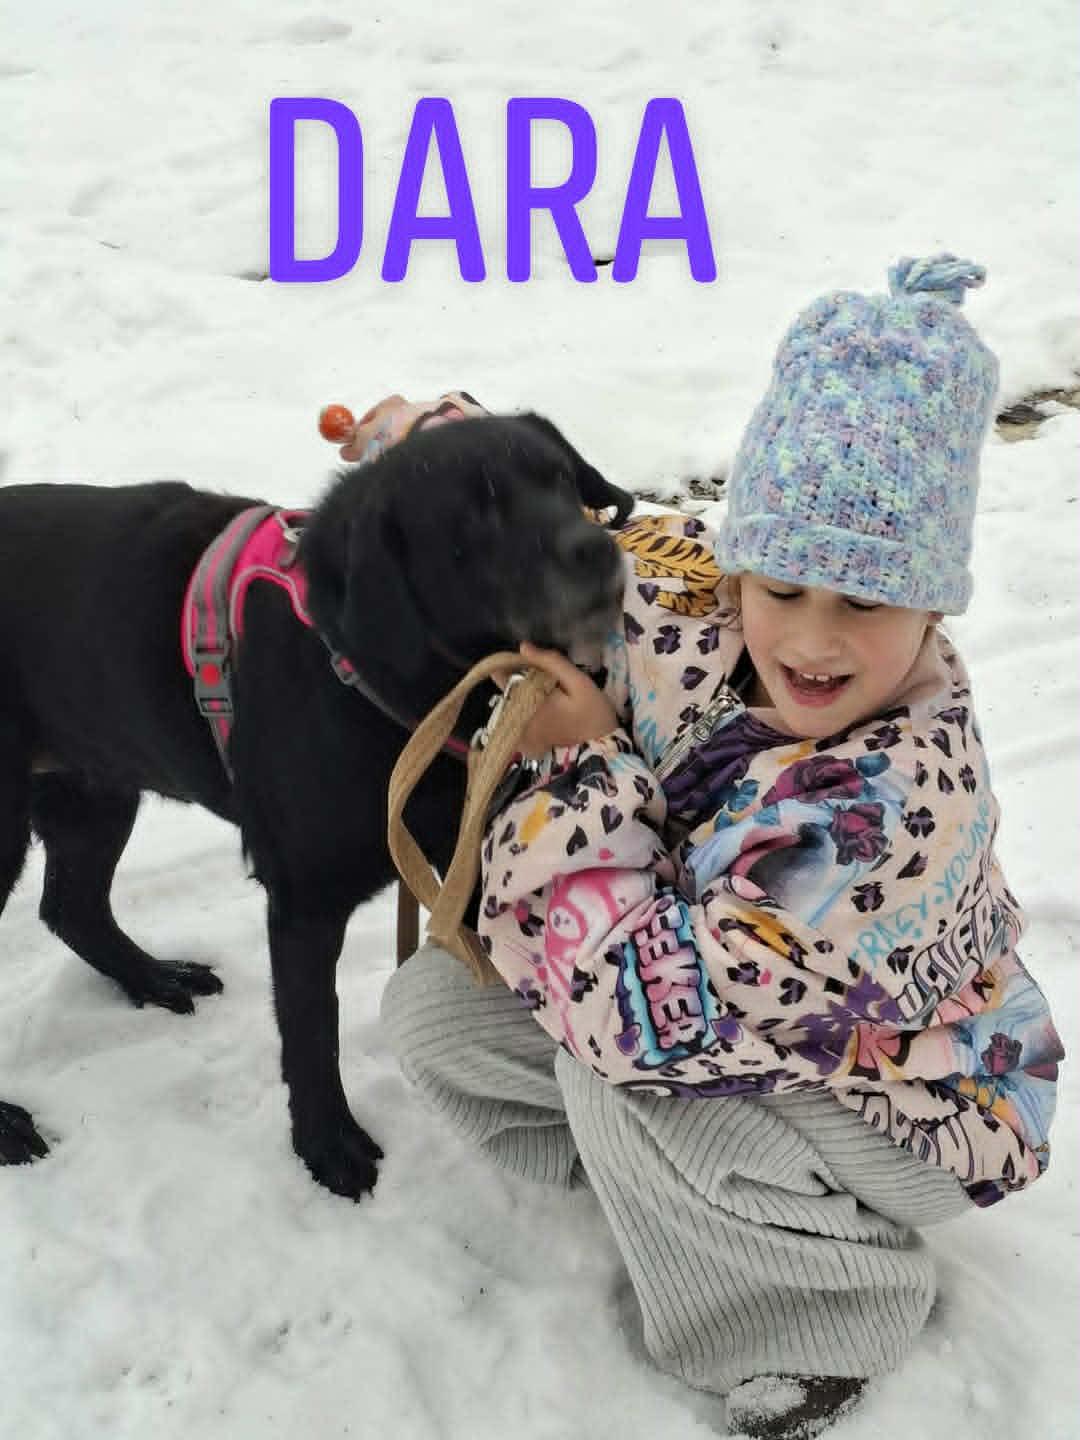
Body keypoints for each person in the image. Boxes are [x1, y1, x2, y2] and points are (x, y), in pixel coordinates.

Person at [372, 256, 1064, 1439]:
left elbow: (649, 1021)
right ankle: (692, 1204)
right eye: (781, 586)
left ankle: (821, 1316)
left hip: (924, 1100)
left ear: (934, 604)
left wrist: (583, 768)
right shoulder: (708, 604)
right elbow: (610, 551)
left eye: (865, 602)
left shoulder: (883, 810)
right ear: (738, 563)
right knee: (440, 1011)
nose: (812, 641)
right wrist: (450, 451)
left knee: (627, 1081)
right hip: (715, 989)